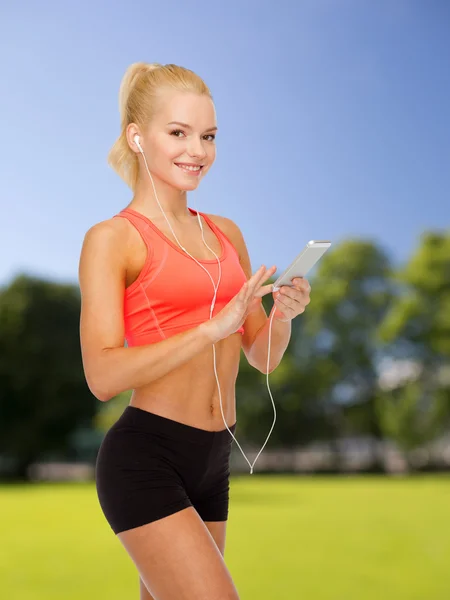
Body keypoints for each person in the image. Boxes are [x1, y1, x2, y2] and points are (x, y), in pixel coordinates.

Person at [78, 62, 286, 600]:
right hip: (147, 456)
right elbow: (102, 374)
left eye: (208, 136)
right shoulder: (113, 238)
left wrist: (281, 314)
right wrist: (208, 329)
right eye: (179, 133)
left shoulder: (226, 233)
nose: (198, 150)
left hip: (214, 459)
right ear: (137, 137)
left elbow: (262, 357)